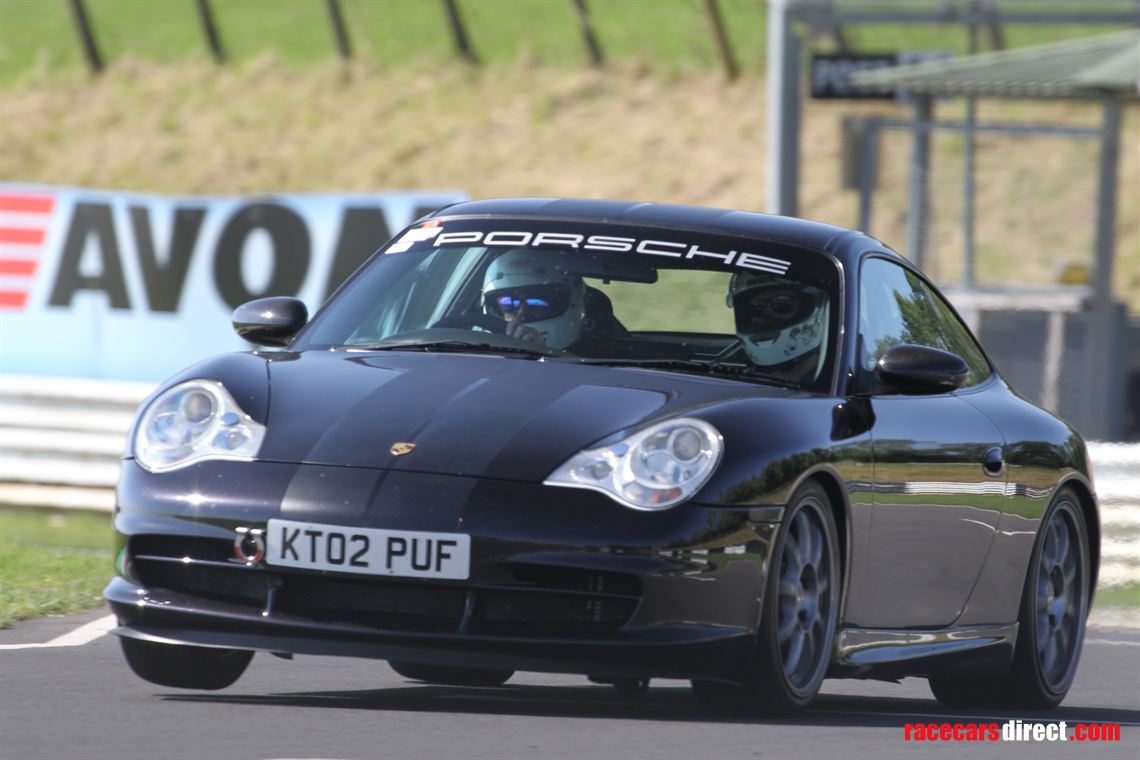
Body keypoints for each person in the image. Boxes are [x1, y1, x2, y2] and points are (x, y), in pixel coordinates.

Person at [726, 270, 830, 382]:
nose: (764, 317)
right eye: (756, 308)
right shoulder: (742, 382)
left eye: (781, 305)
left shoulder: (836, 382)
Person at [480, 248, 589, 349]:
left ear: (572, 302)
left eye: (536, 303)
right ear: (494, 310)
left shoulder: (595, 360)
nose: (521, 313)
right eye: (508, 304)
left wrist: (539, 351)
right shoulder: (478, 349)